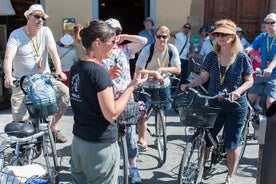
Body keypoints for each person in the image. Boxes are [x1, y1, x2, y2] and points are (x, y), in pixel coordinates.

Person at [70, 20, 147, 184]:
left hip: (78, 142)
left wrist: (108, 78)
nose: (115, 45)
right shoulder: (99, 72)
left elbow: (88, 94)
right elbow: (111, 113)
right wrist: (130, 87)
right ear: (97, 43)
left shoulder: (77, 66)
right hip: (98, 146)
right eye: (112, 41)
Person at [181, 19, 253, 184]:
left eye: (224, 34)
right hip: (214, 102)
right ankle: (202, 166)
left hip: (236, 105)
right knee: (207, 138)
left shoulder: (241, 57)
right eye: (218, 34)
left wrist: (238, 91)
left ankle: (230, 176)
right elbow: (203, 77)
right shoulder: (211, 56)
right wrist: (189, 84)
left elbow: (249, 80)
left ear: (233, 37)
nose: (220, 37)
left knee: (231, 143)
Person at [3, 4, 69, 143]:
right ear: (28, 17)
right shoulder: (16, 34)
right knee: (19, 117)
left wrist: (58, 70)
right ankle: (23, 146)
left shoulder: (46, 31)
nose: (40, 20)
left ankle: (53, 127)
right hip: (23, 80)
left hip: (44, 78)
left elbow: (53, 52)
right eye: (37, 16)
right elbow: (8, 57)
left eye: (42, 17)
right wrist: (8, 75)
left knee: (65, 94)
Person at [102, 18, 147, 184]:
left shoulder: (125, 49)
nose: (115, 35)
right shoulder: (100, 50)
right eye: (111, 31)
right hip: (107, 96)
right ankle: (109, 167)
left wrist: (125, 36)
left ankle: (133, 167)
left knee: (130, 134)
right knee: (108, 133)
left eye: (117, 31)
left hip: (126, 96)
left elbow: (144, 40)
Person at [135, 25, 181, 151]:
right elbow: (138, 70)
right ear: (155, 37)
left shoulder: (172, 49)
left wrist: (161, 69)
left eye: (164, 36)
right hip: (146, 85)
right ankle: (142, 140)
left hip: (163, 84)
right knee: (143, 113)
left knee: (162, 112)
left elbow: (177, 69)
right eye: (159, 36)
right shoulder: (148, 50)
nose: (161, 39)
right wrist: (153, 73)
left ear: (168, 38)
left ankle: (159, 138)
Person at [245, 13, 276, 110]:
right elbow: (252, 46)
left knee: (270, 102)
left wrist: (270, 68)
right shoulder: (262, 36)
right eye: (267, 23)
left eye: (272, 23)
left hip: (274, 74)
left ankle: (272, 124)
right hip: (261, 73)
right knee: (248, 99)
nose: (269, 25)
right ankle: (245, 122)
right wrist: (244, 52)